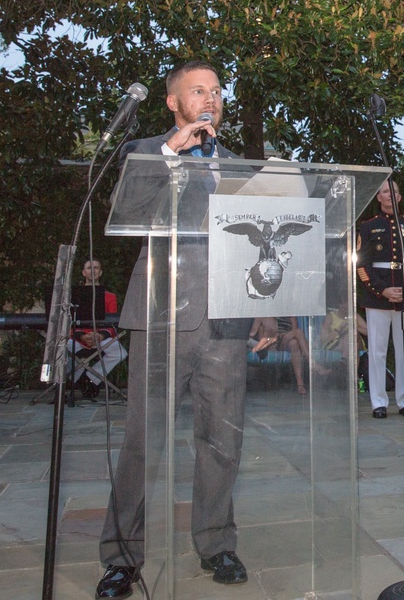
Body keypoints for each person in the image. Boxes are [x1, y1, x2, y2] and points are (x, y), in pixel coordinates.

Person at [95, 61, 277, 599]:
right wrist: (174, 148)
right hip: (159, 317)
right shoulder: (148, 152)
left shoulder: (238, 164)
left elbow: (259, 242)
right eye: (198, 91)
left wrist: (267, 310)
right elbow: (123, 209)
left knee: (222, 442)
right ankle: (121, 557)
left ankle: (217, 543)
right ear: (174, 102)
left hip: (224, 320)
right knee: (141, 444)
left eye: (217, 91)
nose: (211, 99)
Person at [356, 180, 404, 419]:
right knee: (377, 350)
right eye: (386, 192)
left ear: (399, 196)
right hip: (377, 298)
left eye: (394, 191)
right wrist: (383, 290)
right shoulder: (368, 227)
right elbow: (362, 266)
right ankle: (379, 402)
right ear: (378, 197)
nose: (390, 195)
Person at [69, 259, 127, 399]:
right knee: (60, 352)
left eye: (96, 268)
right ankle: (77, 378)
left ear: (100, 272)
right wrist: (82, 336)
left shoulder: (110, 297)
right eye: (89, 268)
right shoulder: (73, 295)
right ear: (84, 272)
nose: (93, 270)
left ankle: (91, 378)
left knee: (120, 353)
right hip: (79, 337)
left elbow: (111, 322)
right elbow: (69, 322)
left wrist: (100, 336)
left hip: (101, 337)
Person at [250, 316, 309, 395]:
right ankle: (311, 362)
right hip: (272, 342)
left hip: (285, 340)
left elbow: (293, 331)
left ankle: (300, 385)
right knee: (298, 332)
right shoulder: (267, 315)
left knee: (294, 343)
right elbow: (261, 338)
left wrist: (283, 334)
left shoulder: (290, 315)